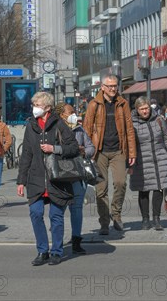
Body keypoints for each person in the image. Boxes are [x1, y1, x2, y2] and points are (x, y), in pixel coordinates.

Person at [17, 92, 80, 266]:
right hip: (36, 178)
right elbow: (26, 155)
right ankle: (42, 250)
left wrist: (55, 148)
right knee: (35, 213)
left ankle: (57, 252)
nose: (34, 108)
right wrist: (21, 181)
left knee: (56, 216)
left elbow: (74, 147)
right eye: (33, 104)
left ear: (47, 108)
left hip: (57, 179)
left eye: (37, 105)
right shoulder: (31, 125)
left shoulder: (59, 124)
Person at [83, 74, 137, 235]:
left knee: (120, 183)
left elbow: (129, 129)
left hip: (118, 150)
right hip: (99, 152)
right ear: (103, 88)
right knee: (101, 189)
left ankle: (116, 214)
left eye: (115, 85)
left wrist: (132, 152)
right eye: (110, 86)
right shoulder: (94, 104)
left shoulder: (123, 104)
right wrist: (86, 151)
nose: (113, 88)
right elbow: (86, 129)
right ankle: (104, 222)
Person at [129, 97, 167, 229]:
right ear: (137, 110)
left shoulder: (159, 120)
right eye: (141, 109)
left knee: (159, 188)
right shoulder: (132, 123)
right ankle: (145, 219)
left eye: (146, 108)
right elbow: (128, 144)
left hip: (160, 158)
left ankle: (156, 218)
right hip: (141, 161)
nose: (145, 111)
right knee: (143, 190)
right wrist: (129, 164)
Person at [55, 103, 95, 255]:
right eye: (71, 112)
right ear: (61, 115)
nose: (74, 114)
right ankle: (57, 240)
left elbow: (91, 147)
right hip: (60, 175)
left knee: (77, 208)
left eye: (74, 111)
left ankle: (76, 240)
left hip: (78, 174)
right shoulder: (55, 130)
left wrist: (85, 151)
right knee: (59, 209)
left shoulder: (79, 129)